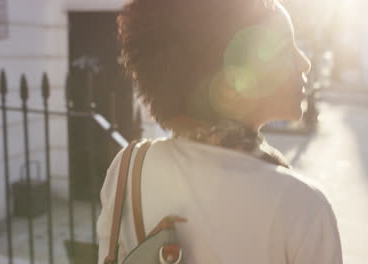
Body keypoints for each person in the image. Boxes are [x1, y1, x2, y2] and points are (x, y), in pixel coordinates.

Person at [97, 0, 343, 263]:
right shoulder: (304, 208)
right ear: (231, 86)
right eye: (285, 48)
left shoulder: (129, 169)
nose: (304, 63)